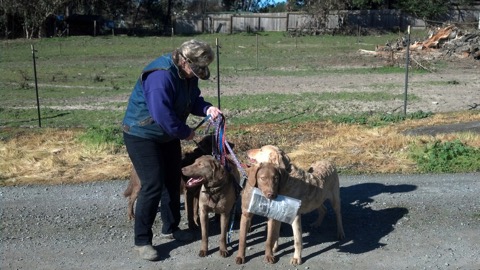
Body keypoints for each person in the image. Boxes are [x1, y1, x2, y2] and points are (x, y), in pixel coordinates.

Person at [122, 39, 222, 261]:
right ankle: (142, 241)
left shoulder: (187, 77)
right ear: (184, 60)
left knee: (172, 180)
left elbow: (192, 100)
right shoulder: (161, 76)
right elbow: (162, 114)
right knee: (152, 184)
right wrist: (186, 132)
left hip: (167, 135)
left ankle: (171, 228)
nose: (196, 75)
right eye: (195, 70)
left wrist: (207, 108)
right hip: (141, 134)